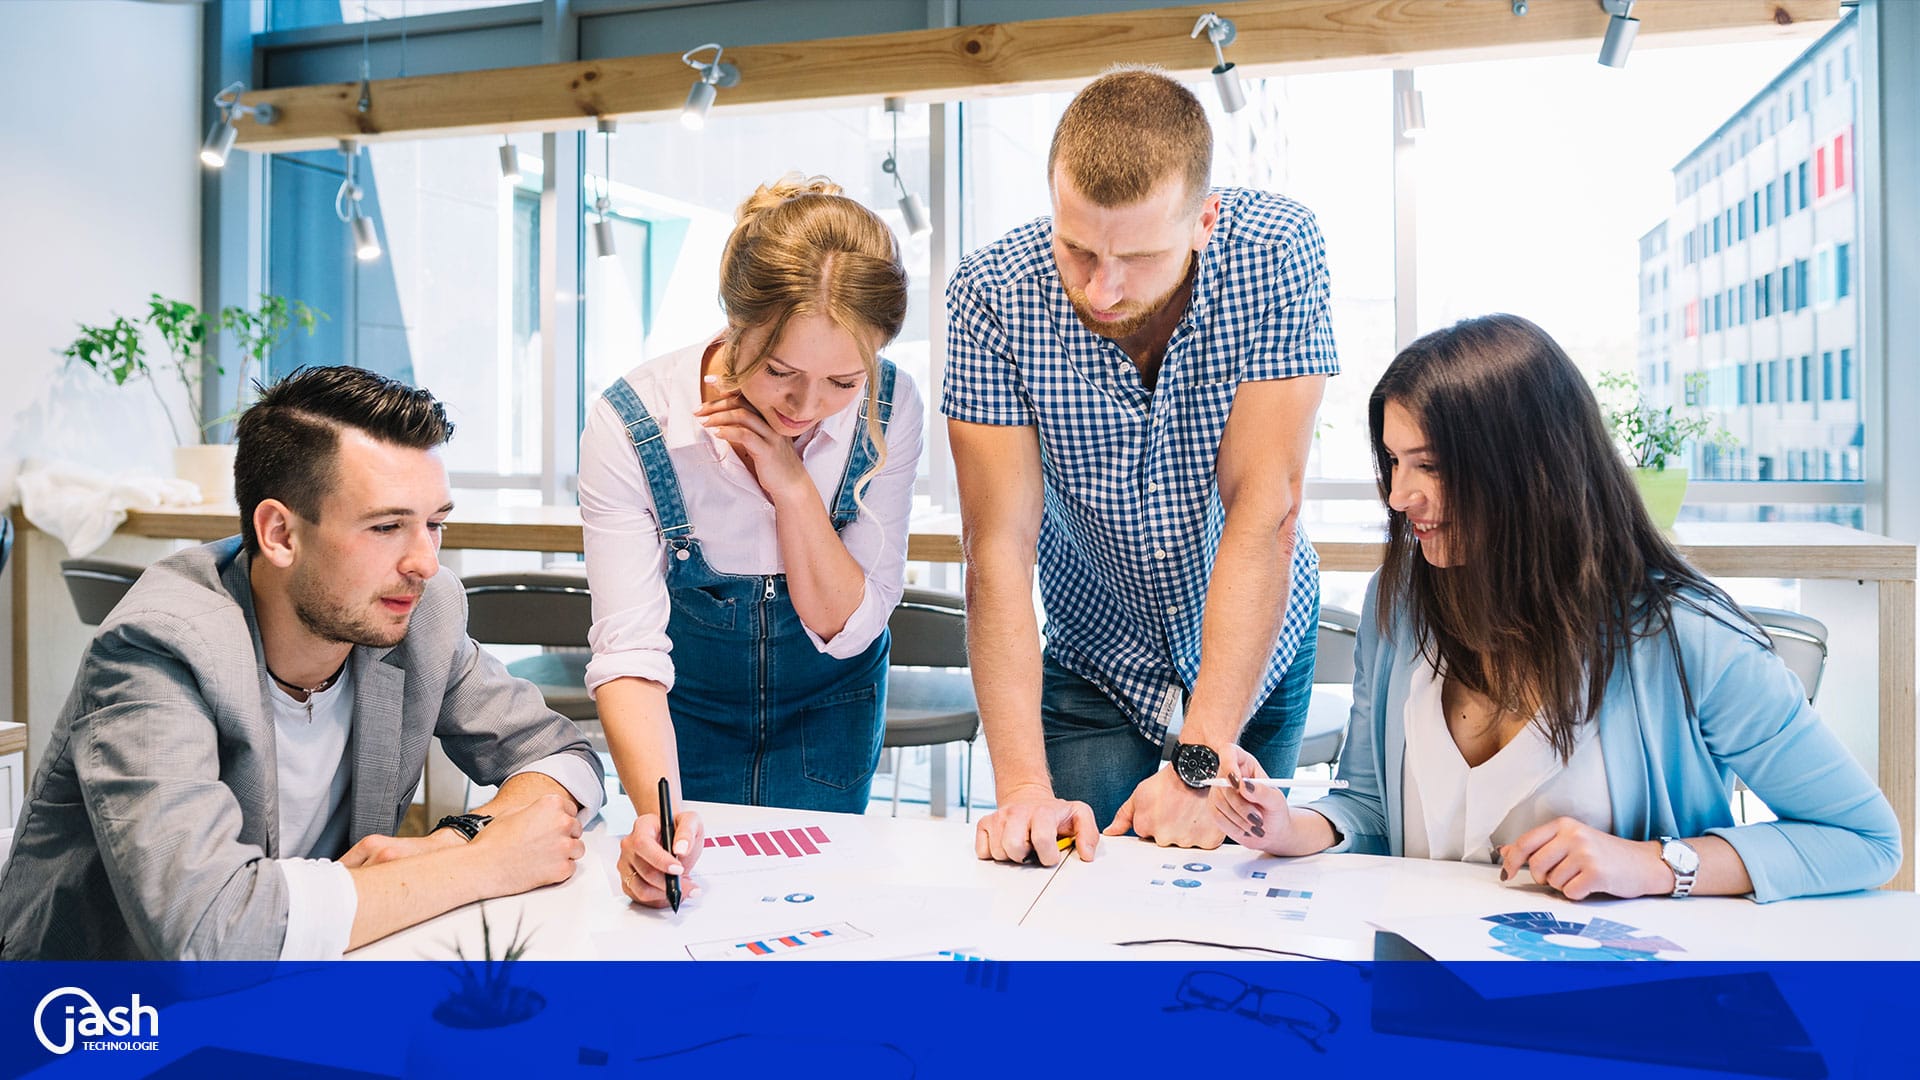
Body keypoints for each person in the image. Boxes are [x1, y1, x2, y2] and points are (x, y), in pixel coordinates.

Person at [1216, 314, 1901, 902]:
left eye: (1430, 466)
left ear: (1528, 471)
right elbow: (1367, 803)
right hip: (1419, 987)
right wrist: (1288, 826)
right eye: (1393, 463)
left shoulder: (1687, 636)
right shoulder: (1400, 601)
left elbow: (1864, 840)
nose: (1399, 497)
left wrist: (1659, 865)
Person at [0, 366, 604, 959]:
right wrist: (484, 862)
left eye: (435, 524)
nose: (424, 561)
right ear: (280, 534)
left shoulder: (421, 610)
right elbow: (209, 930)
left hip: (306, 975)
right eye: (388, 526)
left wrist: (459, 835)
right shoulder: (159, 646)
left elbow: (562, 757)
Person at [944, 68, 1335, 864]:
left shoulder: (1278, 255)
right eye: (1077, 248)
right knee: (1069, 888)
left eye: (1141, 256)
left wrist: (1199, 766)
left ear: (1204, 220)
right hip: (1097, 661)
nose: (1102, 288)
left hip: (1251, 657)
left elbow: (1266, 507)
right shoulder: (990, 296)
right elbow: (998, 548)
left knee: (1237, 902)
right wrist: (1021, 790)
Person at [578, 175, 923, 909]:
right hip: (683, 718)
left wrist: (793, 487)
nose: (806, 406)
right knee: (686, 918)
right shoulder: (633, 424)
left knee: (815, 916)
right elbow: (630, 653)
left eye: (842, 381)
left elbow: (849, 625)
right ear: (734, 324)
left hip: (830, 710)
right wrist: (655, 818)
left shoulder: (893, 406)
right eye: (779, 372)